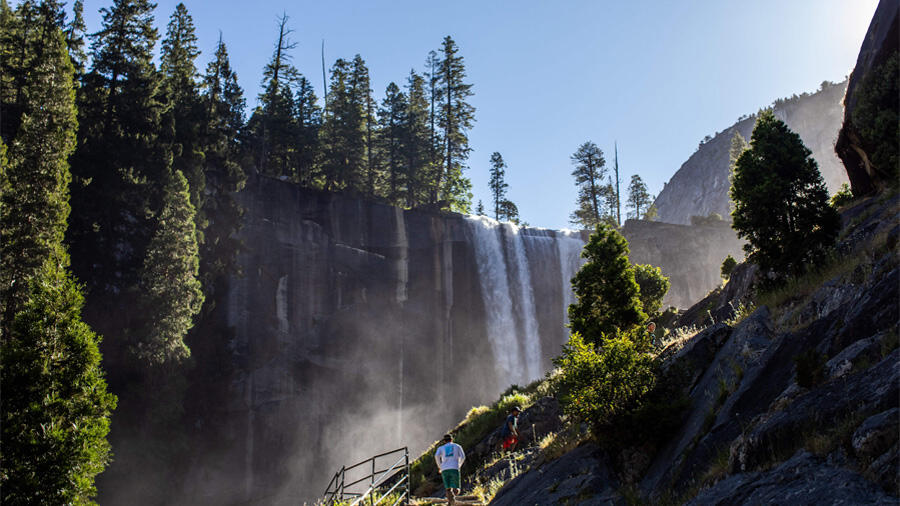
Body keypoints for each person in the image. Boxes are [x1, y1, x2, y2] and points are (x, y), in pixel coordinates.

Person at [434, 434, 465, 505]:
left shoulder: (441, 448)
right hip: (454, 467)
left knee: (448, 488)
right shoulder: (457, 446)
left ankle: (450, 501)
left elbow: (436, 456)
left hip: (444, 469)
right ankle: (452, 500)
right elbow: (463, 457)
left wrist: (440, 466)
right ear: (452, 439)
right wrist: (459, 465)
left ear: (444, 441)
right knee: (456, 488)